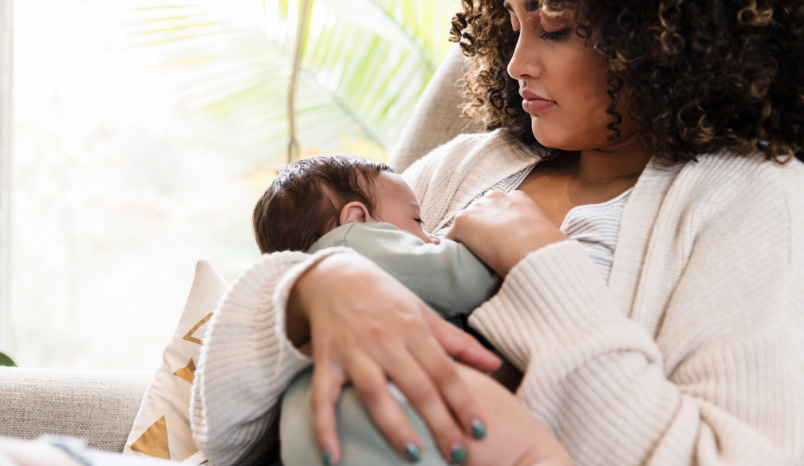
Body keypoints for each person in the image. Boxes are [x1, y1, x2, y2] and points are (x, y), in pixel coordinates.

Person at [190, 1, 804, 466]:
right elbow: (217, 432)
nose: (517, 63)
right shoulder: (469, 164)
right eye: (513, 22)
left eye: (556, 27)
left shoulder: (750, 199)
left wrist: (540, 266)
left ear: (670, 39)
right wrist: (311, 292)